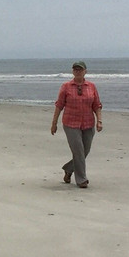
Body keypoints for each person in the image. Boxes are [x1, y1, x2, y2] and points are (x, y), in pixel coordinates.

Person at [51, 60, 102, 188]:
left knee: (85, 151)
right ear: (73, 71)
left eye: (80, 69)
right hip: (71, 123)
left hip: (88, 123)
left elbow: (97, 105)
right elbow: (59, 105)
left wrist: (99, 121)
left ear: (85, 71)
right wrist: (54, 123)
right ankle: (81, 179)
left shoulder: (91, 86)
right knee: (78, 151)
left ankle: (69, 169)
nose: (78, 71)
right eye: (75, 69)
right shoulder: (66, 86)